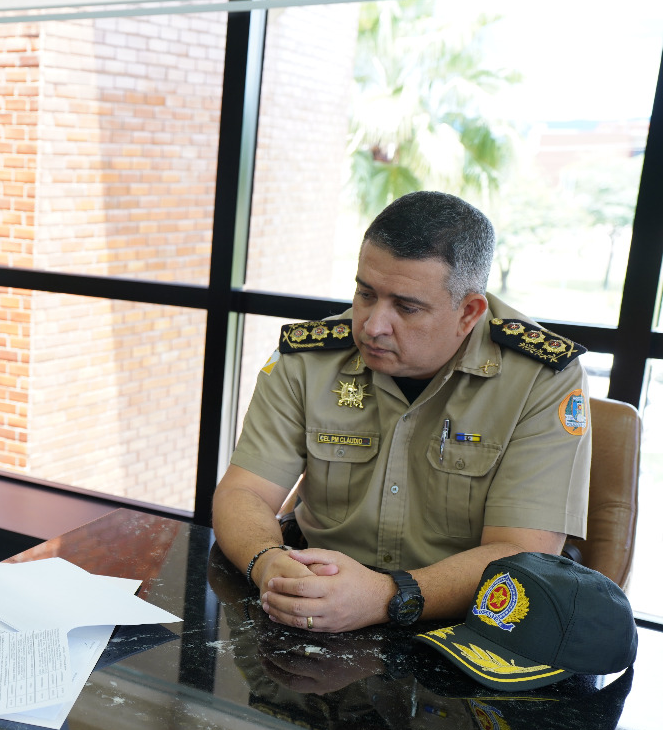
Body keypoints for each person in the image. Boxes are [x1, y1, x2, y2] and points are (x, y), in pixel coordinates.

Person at [212, 190, 591, 633]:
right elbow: (245, 493)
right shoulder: (309, 357)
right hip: (316, 599)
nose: (372, 325)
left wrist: (387, 596)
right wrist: (269, 564)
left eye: (406, 307)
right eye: (365, 294)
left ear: (468, 312)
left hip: (463, 628)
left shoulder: (540, 377)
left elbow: (522, 554)